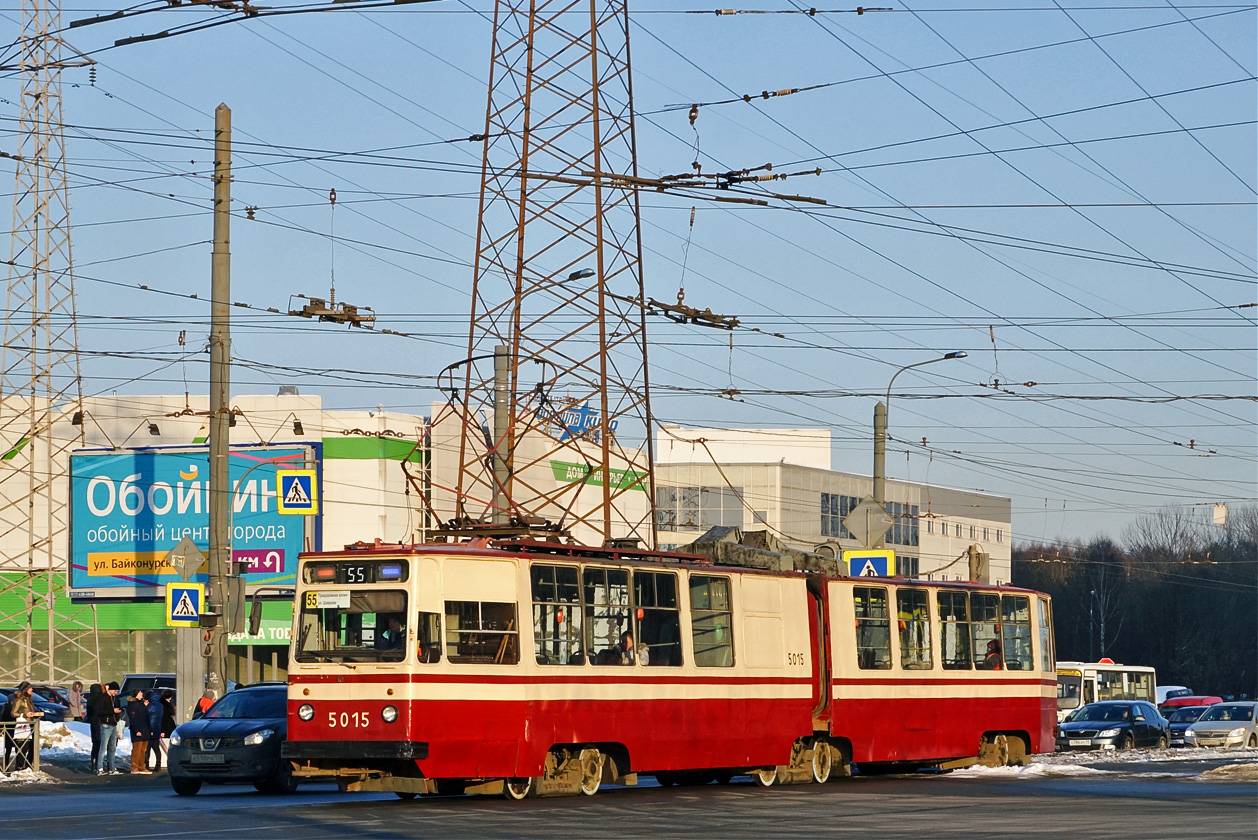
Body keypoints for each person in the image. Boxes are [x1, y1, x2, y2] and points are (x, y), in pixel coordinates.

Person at [5, 682, 44, 769]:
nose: (32, 689)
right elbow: (13, 713)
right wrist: (24, 715)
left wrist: (35, 714)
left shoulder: (29, 699)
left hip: (32, 725)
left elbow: (30, 712)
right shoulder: (19, 700)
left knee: (33, 746)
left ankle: (28, 765)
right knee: (23, 747)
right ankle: (19, 766)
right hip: (23, 726)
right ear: (25, 690)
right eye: (30, 688)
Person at [91, 681, 123, 775]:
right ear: (111, 689)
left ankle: (111, 768)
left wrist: (117, 716)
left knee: (112, 748)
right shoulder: (102, 698)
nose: (116, 692)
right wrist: (112, 711)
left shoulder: (114, 698)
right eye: (115, 690)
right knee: (103, 747)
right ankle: (100, 768)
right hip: (105, 724)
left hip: (113, 724)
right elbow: (100, 712)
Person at [126, 689, 153, 775]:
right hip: (138, 729)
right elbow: (133, 719)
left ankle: (142, 767)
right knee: (137, 750)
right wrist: (136, 730)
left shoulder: (141, 704)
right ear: (136, 694)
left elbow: (146, 717)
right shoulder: (133, 705)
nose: (142, 694)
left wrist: (150, 729)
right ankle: (134, 767)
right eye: (140, 692)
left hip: (145, 729)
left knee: (143, 750)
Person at [145, 689, 165, 770]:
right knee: (156, 748)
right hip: (157, 728)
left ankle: (146, 764)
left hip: (150, 728)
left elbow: (146, 717)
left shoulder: (149, 707)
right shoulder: (160, 706)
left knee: (148, 748)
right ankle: (158, 764)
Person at [85, 682, 103, 769]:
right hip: (101, 722)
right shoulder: (101, 699)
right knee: (101, 744)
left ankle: (94, 762)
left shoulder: (89, 700)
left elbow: (89, 714)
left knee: (95, 743)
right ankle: (99, 763)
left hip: (93, 723)